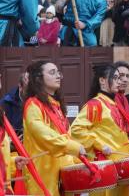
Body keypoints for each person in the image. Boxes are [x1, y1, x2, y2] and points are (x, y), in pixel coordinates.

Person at [70, 64, 129, 195]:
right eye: (115, 78)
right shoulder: (95, 105)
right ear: (102, 80)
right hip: (105, 167)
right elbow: (76, 130)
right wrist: (100, 145)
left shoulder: (113, 104)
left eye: (119, 78)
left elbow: (114, 134)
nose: (119, 82)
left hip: (120, 166)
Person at [23, 61, 86, 196]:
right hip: (43, 173)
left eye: (58, 72)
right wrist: (72, 146)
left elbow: (67, 135)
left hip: (63, 172)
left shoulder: (56, 105)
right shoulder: (33, 105)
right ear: (39, 78)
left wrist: (76, 160)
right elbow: (43, 135)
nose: (58, 76)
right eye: (52, 72)